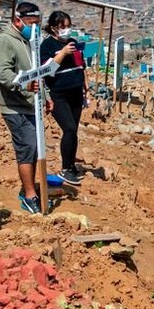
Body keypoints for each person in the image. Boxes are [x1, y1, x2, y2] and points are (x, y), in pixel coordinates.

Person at [0, 1, 44, 213]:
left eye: (38, 24)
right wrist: (25, 85)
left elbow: (37, 71)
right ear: (17, 20)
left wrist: (45, 96)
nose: (36, 28)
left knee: (34, 147)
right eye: (32, 23)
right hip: (15, 105)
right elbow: (4, 75)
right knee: (27, 147)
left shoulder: (29, 41)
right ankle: (29, 194)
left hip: (30, 104)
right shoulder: (4, 41)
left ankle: (30, 188)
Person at [39, 11, 85, 185]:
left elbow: (81, 65)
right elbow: (47, 69)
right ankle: (65, 168)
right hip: (59, 93)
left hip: (75, 92)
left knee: (74, 130)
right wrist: (63, 53)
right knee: (69, 128)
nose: (66, 30)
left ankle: (71, 165)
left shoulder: (72, 43)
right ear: (53, 28)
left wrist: (85, 87)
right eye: (62, 27)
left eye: (68, 26)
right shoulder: (47, 45)